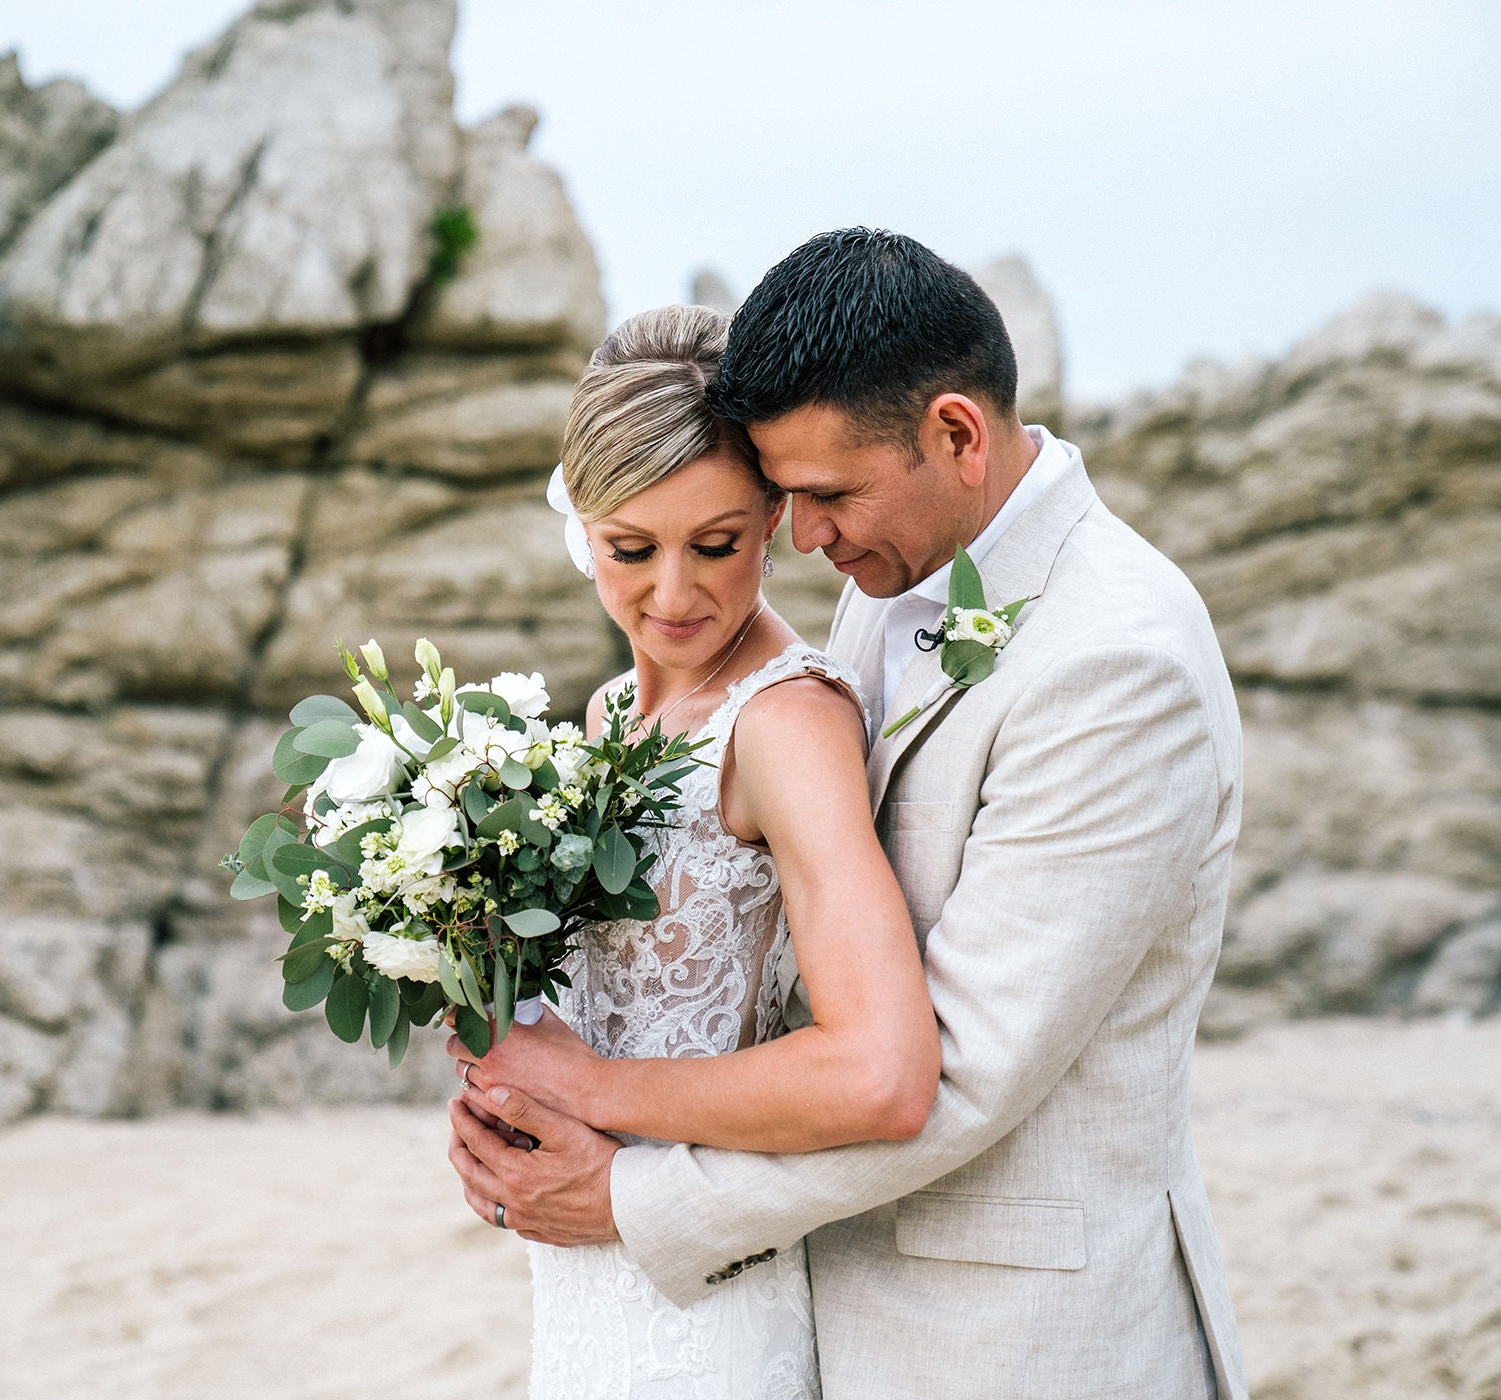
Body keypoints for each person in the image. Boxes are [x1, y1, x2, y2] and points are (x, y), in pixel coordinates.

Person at [447, 229, 1249, 1400]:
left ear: (957, 434)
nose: (807, 538)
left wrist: (621, 1178)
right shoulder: (892, 580)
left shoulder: (1118, 665)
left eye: (822, 496)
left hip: (1015, 1337)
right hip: (817, 1293)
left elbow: (954, 1071)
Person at [448, 302, 943, 1397]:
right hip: (581, 1274)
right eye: (631, 548)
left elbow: (882, 1070)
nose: (674, 594)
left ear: (774, 515)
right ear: (581, 527)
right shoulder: (610, 711)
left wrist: (593, 1085)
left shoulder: (788, 723)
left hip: (707, 1300)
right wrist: (502, 1084)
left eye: (716, 545)